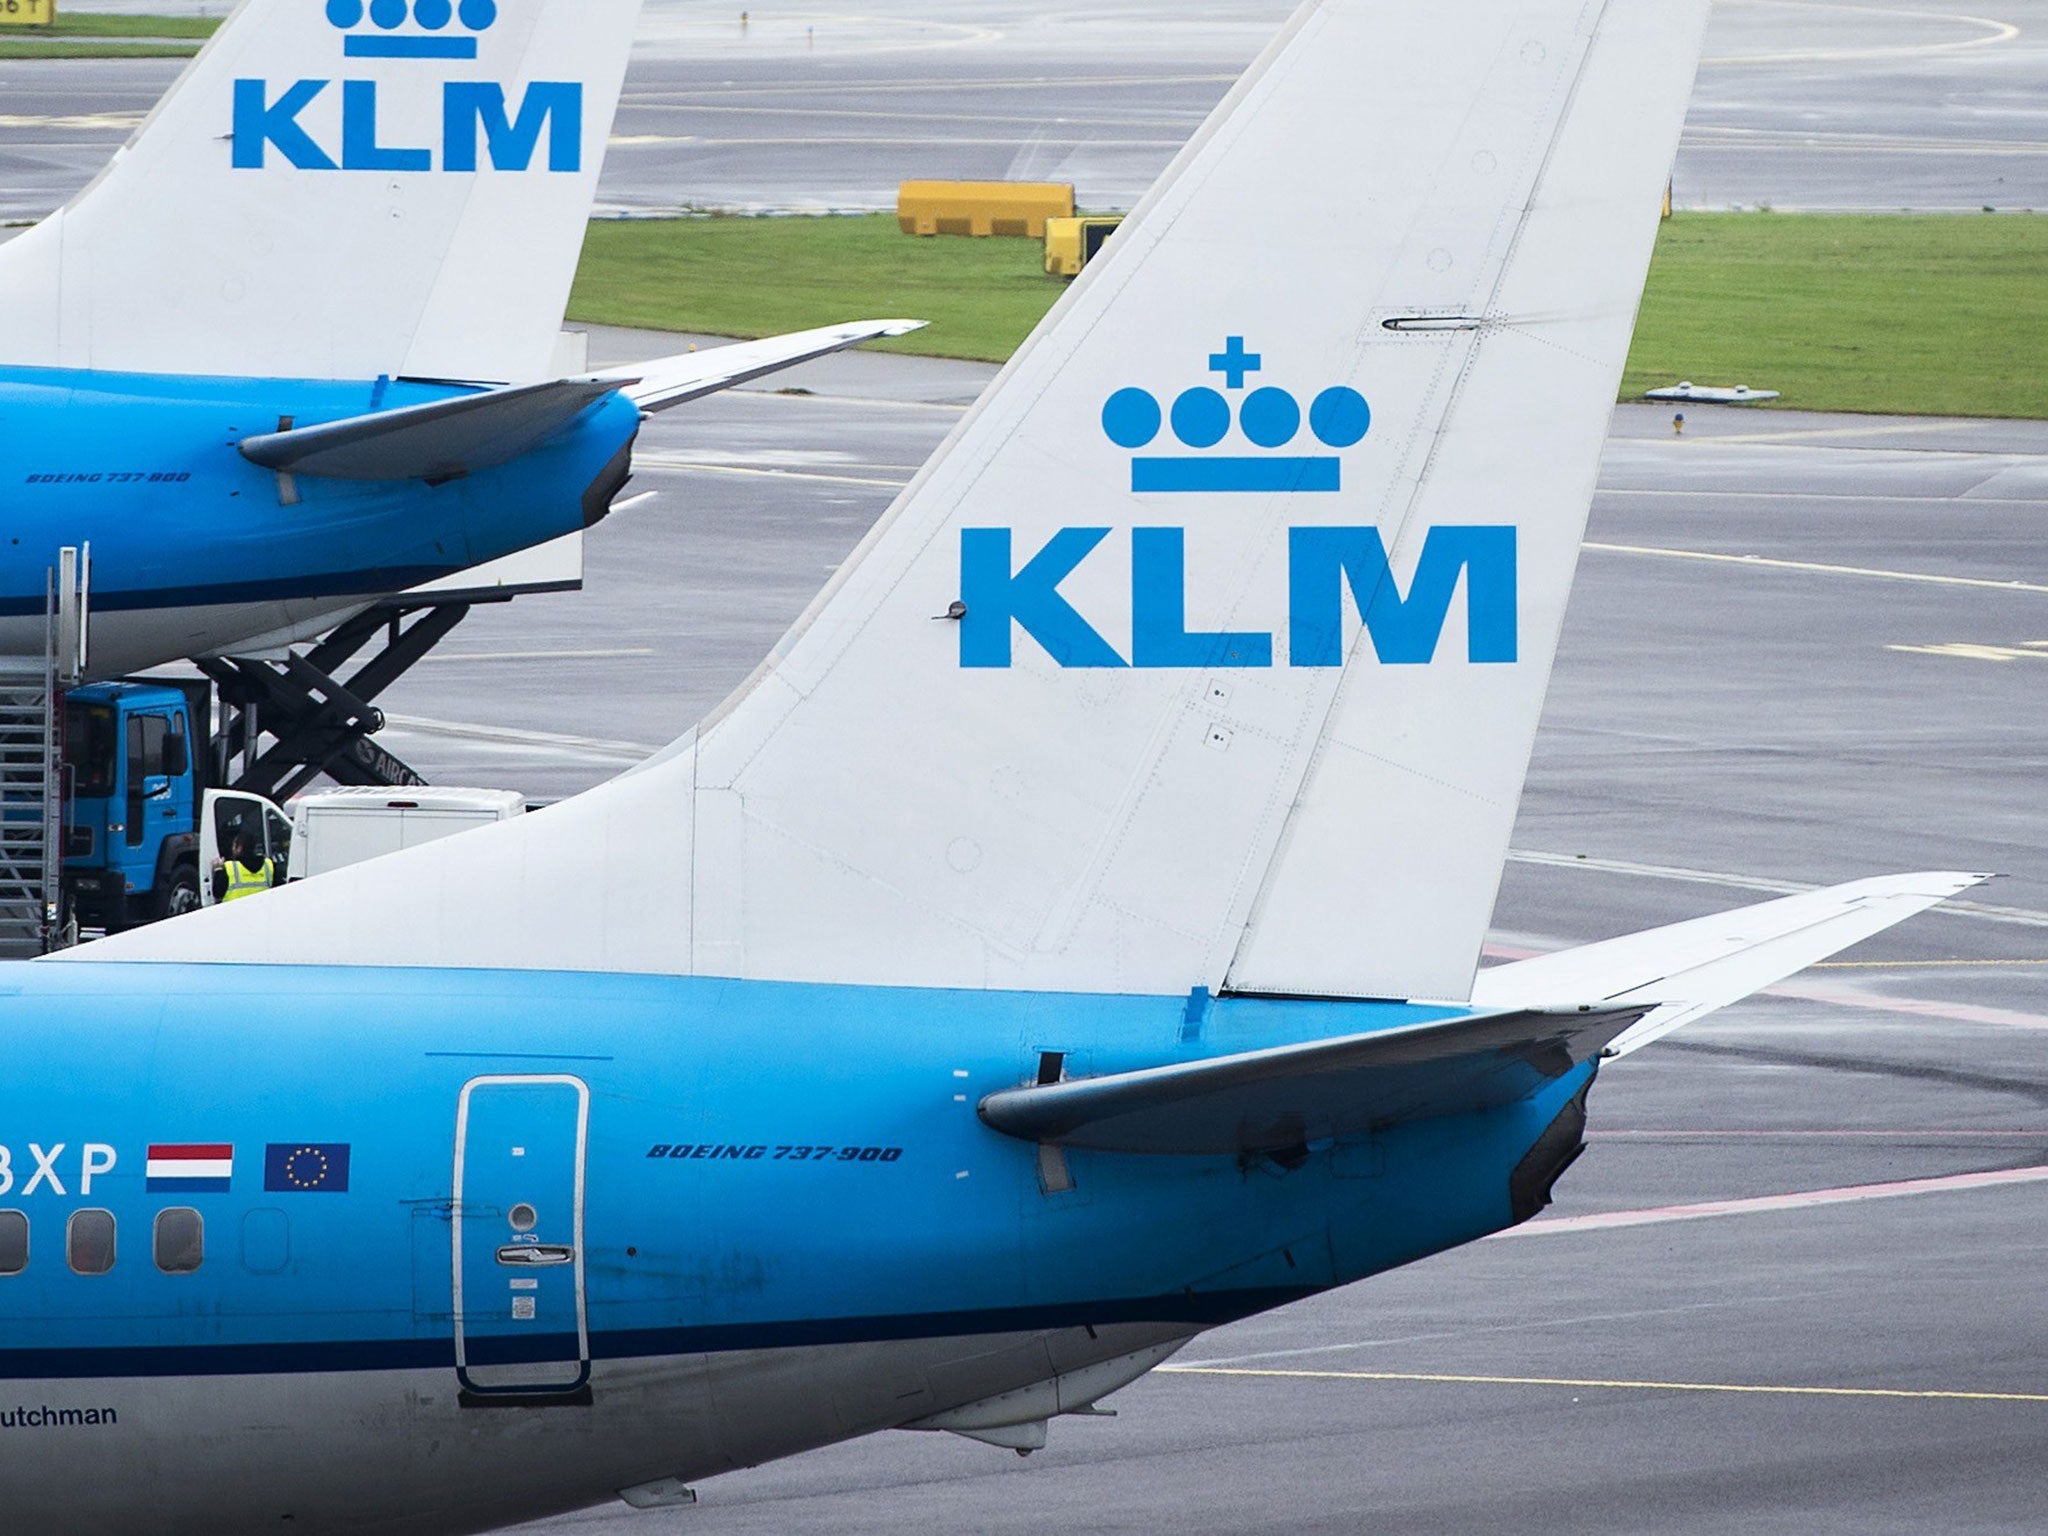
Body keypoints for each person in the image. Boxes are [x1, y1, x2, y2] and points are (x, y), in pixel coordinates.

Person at [212, 830, 274, 903]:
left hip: (234, 912)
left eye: (234, 846)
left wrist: (218, 869)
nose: (232, 849)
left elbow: (217, 893)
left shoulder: (230, 868)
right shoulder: (268, 865)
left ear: (239, 848)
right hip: (261, 911)